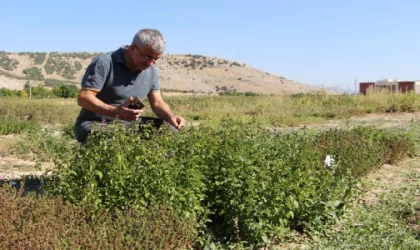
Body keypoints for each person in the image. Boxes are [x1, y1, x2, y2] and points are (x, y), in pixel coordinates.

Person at [75, 28, 185, 143]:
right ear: (132, 48)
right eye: (147, 57)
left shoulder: (152, 70)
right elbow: (84, 98)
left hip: (129, 125)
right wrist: (116, 112)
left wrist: (171, 117)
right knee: (113, 142)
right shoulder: (104, 63)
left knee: (171, 131)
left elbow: (157, 102)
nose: (151, 63)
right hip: (96, 123)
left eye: (156, 59)